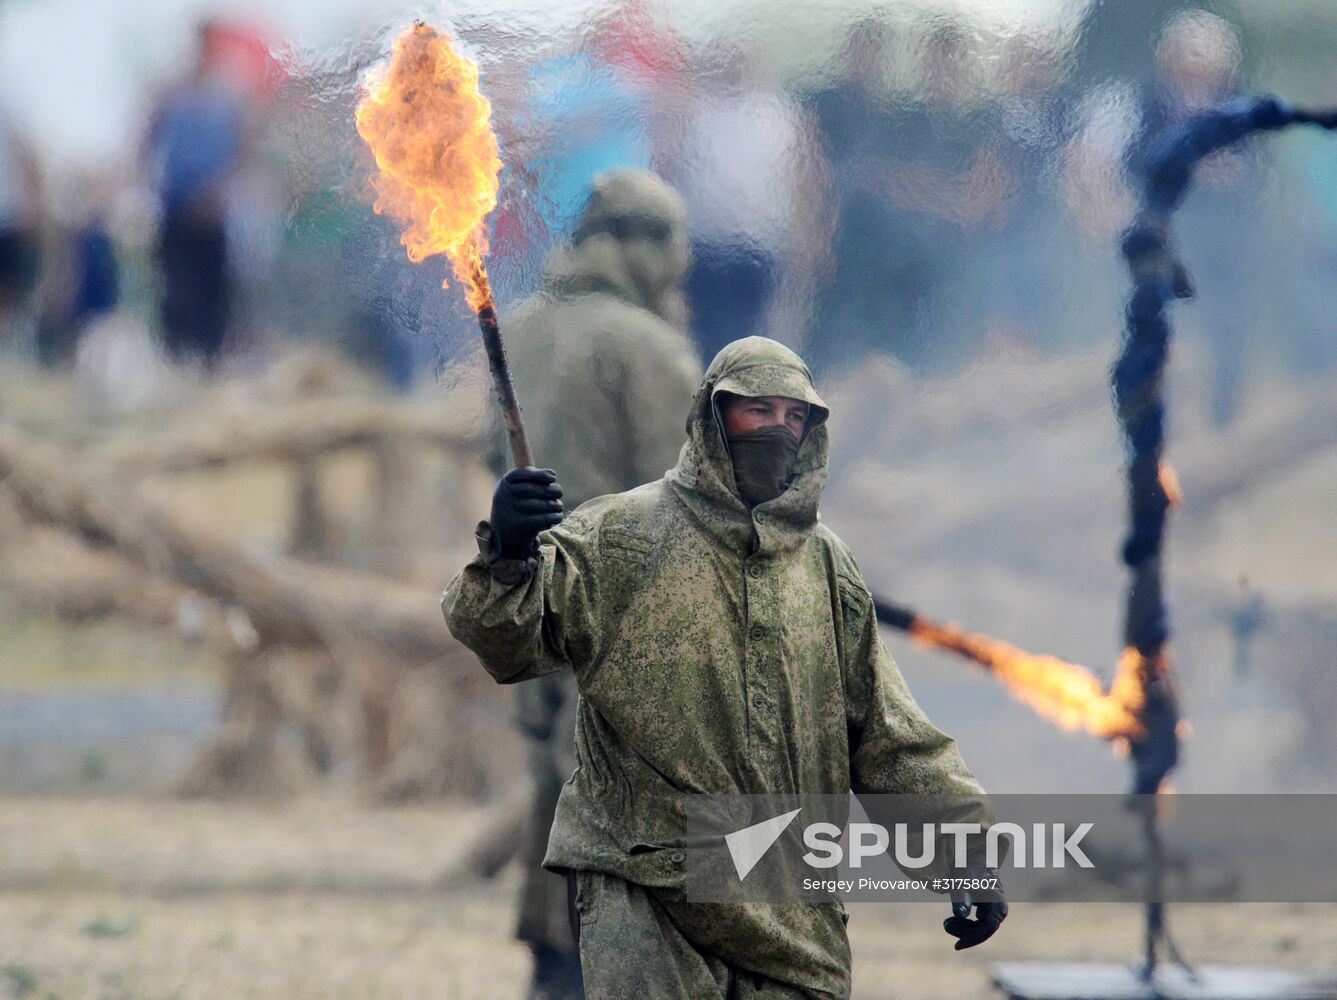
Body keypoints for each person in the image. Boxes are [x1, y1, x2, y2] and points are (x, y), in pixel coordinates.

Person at [443, 336, 1004, 998]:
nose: (776, 429)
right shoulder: (618, 537)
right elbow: (507, 642)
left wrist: (966, 858)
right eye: (756, 411)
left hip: (787, 907)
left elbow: (888, 735)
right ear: (712, 418)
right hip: (645, 883)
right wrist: (509, 552)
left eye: (793, 417)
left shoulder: (826, 568)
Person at [489, 168, 702, 1000]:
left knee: (554, 780)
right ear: (641, 246)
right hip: (622, 602)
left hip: (528, 589)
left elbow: (491, 460)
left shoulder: (525, 328)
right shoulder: (646, 348)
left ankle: (551, 965)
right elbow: (687, 491)